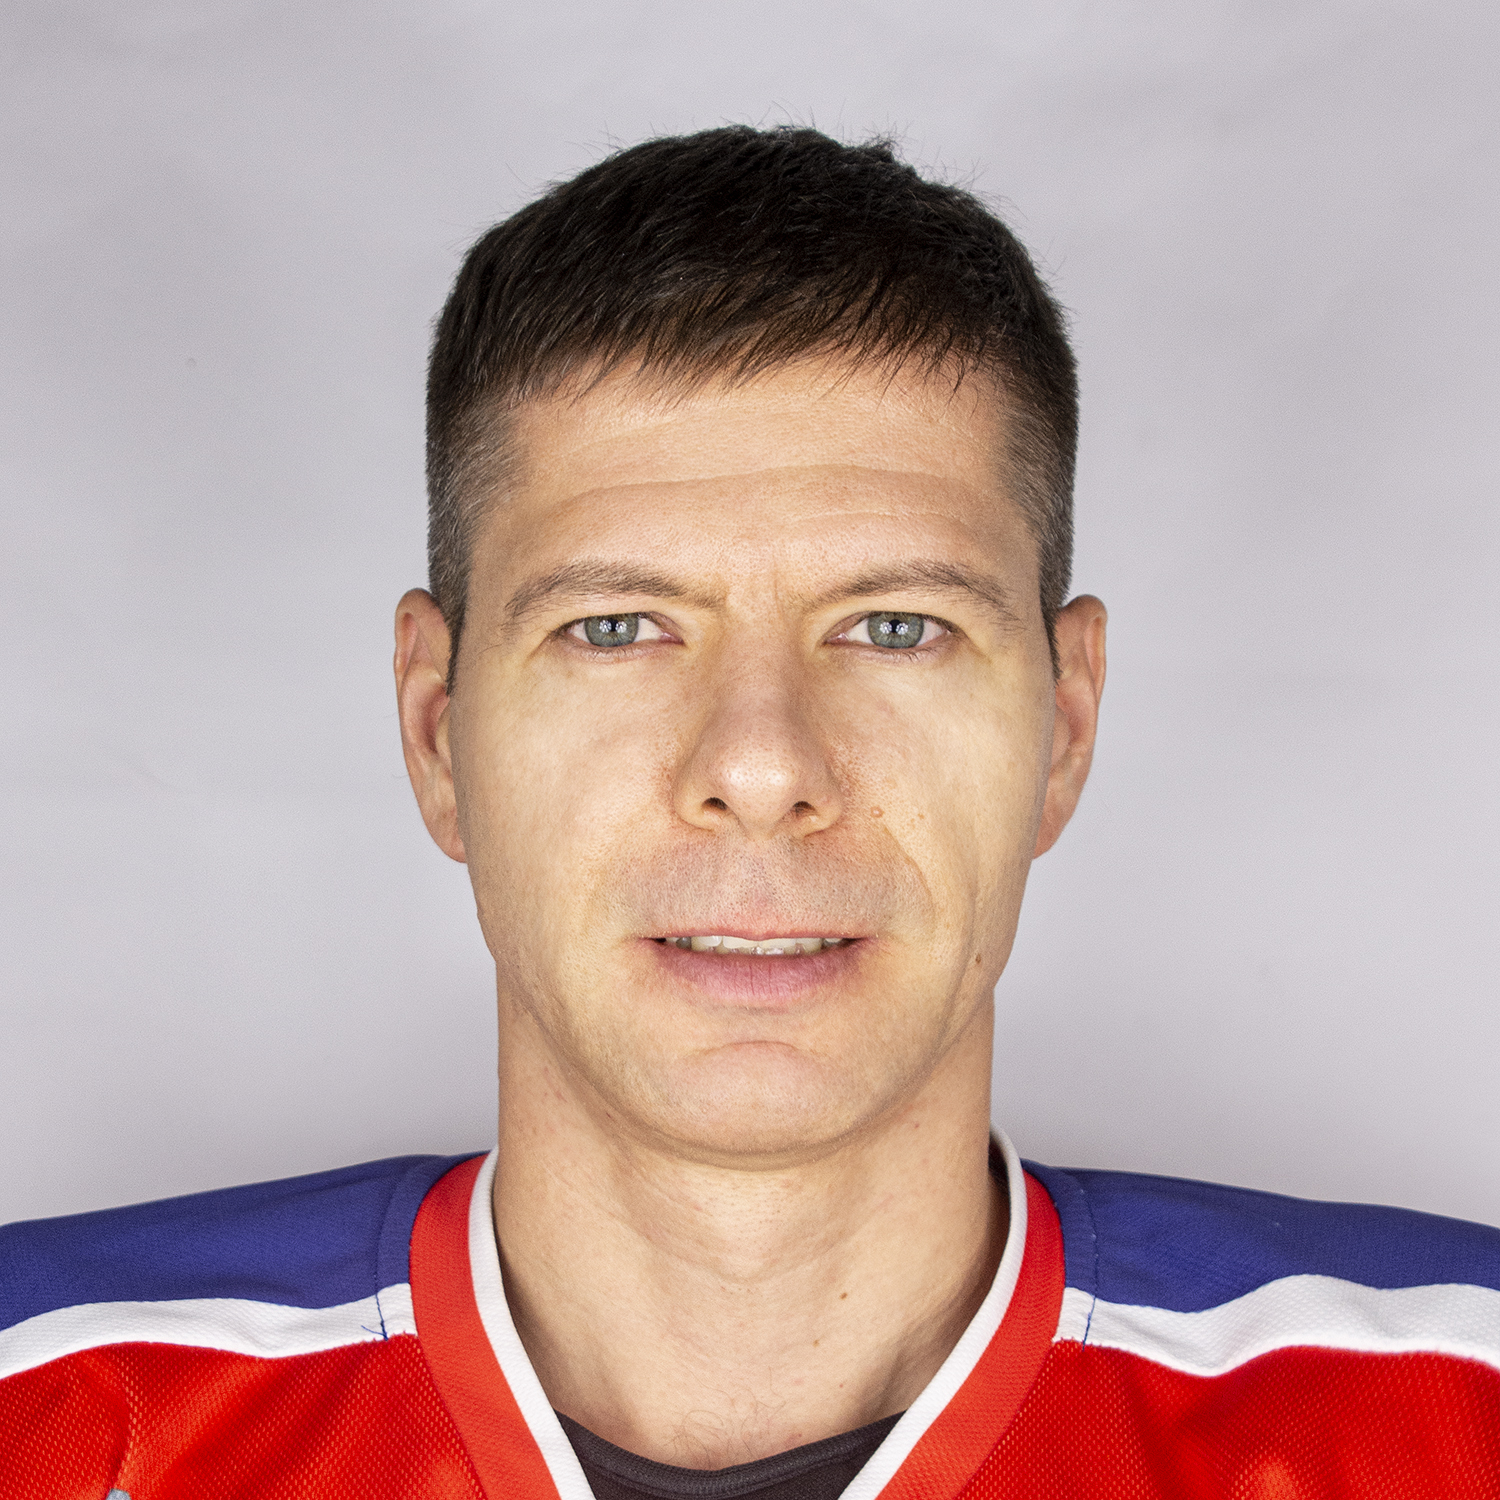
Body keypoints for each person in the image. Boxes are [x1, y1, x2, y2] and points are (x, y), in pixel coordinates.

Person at [2, 125, 1496, 1500]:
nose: (765, 763)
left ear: (1065, 723)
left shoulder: (1456, 1416)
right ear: (438, 731)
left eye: (897, 626)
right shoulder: (49, 1407)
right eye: (615, 627)